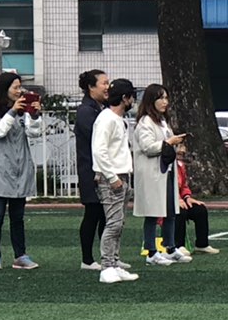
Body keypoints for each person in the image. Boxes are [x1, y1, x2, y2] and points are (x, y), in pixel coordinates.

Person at [0, 69, 40, 272]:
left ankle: (20, 255)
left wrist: (34, 115)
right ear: (5, 89)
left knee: (18, 217)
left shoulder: (22, 111)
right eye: (15, 87)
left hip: (19, 170)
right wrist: (12, 111)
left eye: (20, 87)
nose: (19, 91)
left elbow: (34, 133)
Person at [91, 78, 138, 284]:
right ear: (125, 98)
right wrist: (112, 177)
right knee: (113, 224)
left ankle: (114, 263)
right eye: (131, 97)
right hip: (112, 178)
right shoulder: (107, 119)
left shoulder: (117, 119)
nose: (133, 101)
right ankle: (107, 266)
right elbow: (99, 150)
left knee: (118, 223)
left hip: (121, 175)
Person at [132, 82, 183, 266]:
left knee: (170, 210)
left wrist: (175, 144)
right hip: (152, 173)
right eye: (161, 98)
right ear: (151, 100)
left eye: (166, 98)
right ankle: (151, 251)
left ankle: (170, 247)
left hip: (166, 171)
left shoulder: (162, 121)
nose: (165, 102)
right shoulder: (145, 122)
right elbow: (147, 147)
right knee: (152, 213)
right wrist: (169, 142)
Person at [74, 67, 109, 271]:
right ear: (90, 87)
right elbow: (97, 138)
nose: (107, 87)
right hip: (90, 170)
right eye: (104, 83)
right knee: (93, 213)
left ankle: (107, 257)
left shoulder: (100, 108)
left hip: (101, 169)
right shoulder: (86, 111)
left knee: (105, 215)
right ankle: (87, 259)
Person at [171, 156, 215, 257]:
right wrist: (175, 199)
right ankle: (178, 245)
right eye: (179, 148)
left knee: (200, 210)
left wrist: (187, 197)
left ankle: (202, 244)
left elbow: (184, 186)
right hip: (166, 201)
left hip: (180, 199)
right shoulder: (164, 166)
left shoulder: (180, 165)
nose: (183, 150)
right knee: (180, 210)